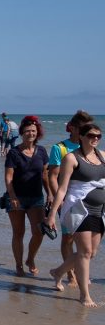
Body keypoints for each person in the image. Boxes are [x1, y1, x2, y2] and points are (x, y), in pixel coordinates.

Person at [47, 123, 105, 307]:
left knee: (91, 252)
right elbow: (62, 189)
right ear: (81, 136)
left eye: (98, 136)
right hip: (79, 208)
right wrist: (51, 215)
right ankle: (84, 295)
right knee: (85, 252)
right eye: (91, 135)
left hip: (99, 210)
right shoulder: (71, 158)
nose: (95, 139)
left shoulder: (103, 156)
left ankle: (57, 272)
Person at [48, 110, 94, 288]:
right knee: (68, 238)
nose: (88, 132)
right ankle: (70, 274)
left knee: (89, 243)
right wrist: (57, 201)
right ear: (73, 128)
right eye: (84, 128)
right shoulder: (59, 148)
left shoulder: (92, 148)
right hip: (69, 202)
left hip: (91, 203)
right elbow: (52, 176)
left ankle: (73, 270)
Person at [3, 116, 49, 277]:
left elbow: (45, 175)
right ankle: (19, 265)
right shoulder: (14, 153)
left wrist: (50, 194)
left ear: (38, 133)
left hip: (36, 198)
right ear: (22, 133)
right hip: (16, 198)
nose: (31, 133)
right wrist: (13, 196)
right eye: (28, 131)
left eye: (34, 131)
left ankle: (30, 259)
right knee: (18, 232)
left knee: (39, 232)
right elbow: (8, 177)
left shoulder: (42, 151)